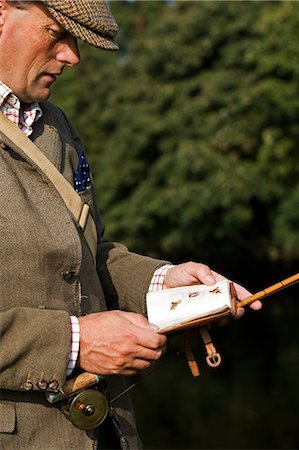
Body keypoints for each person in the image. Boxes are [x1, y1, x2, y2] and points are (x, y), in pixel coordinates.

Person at [0, 1, 262, 449]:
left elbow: (89, 254)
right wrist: (74, 344)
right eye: (57, 33)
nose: (72, 57)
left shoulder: (54, 124)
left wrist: (164, 284)